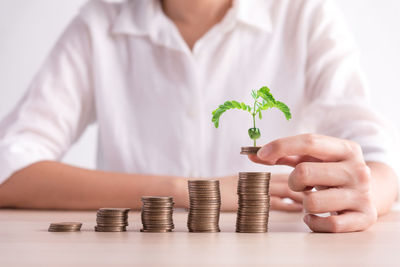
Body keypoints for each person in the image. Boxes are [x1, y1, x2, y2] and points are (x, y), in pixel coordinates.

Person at [0, 0, 397, 233]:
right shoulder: (99, 23)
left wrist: (367, 194)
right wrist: (189, 189)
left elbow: (380, 164)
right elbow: (9, 167)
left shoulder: (305, 15)